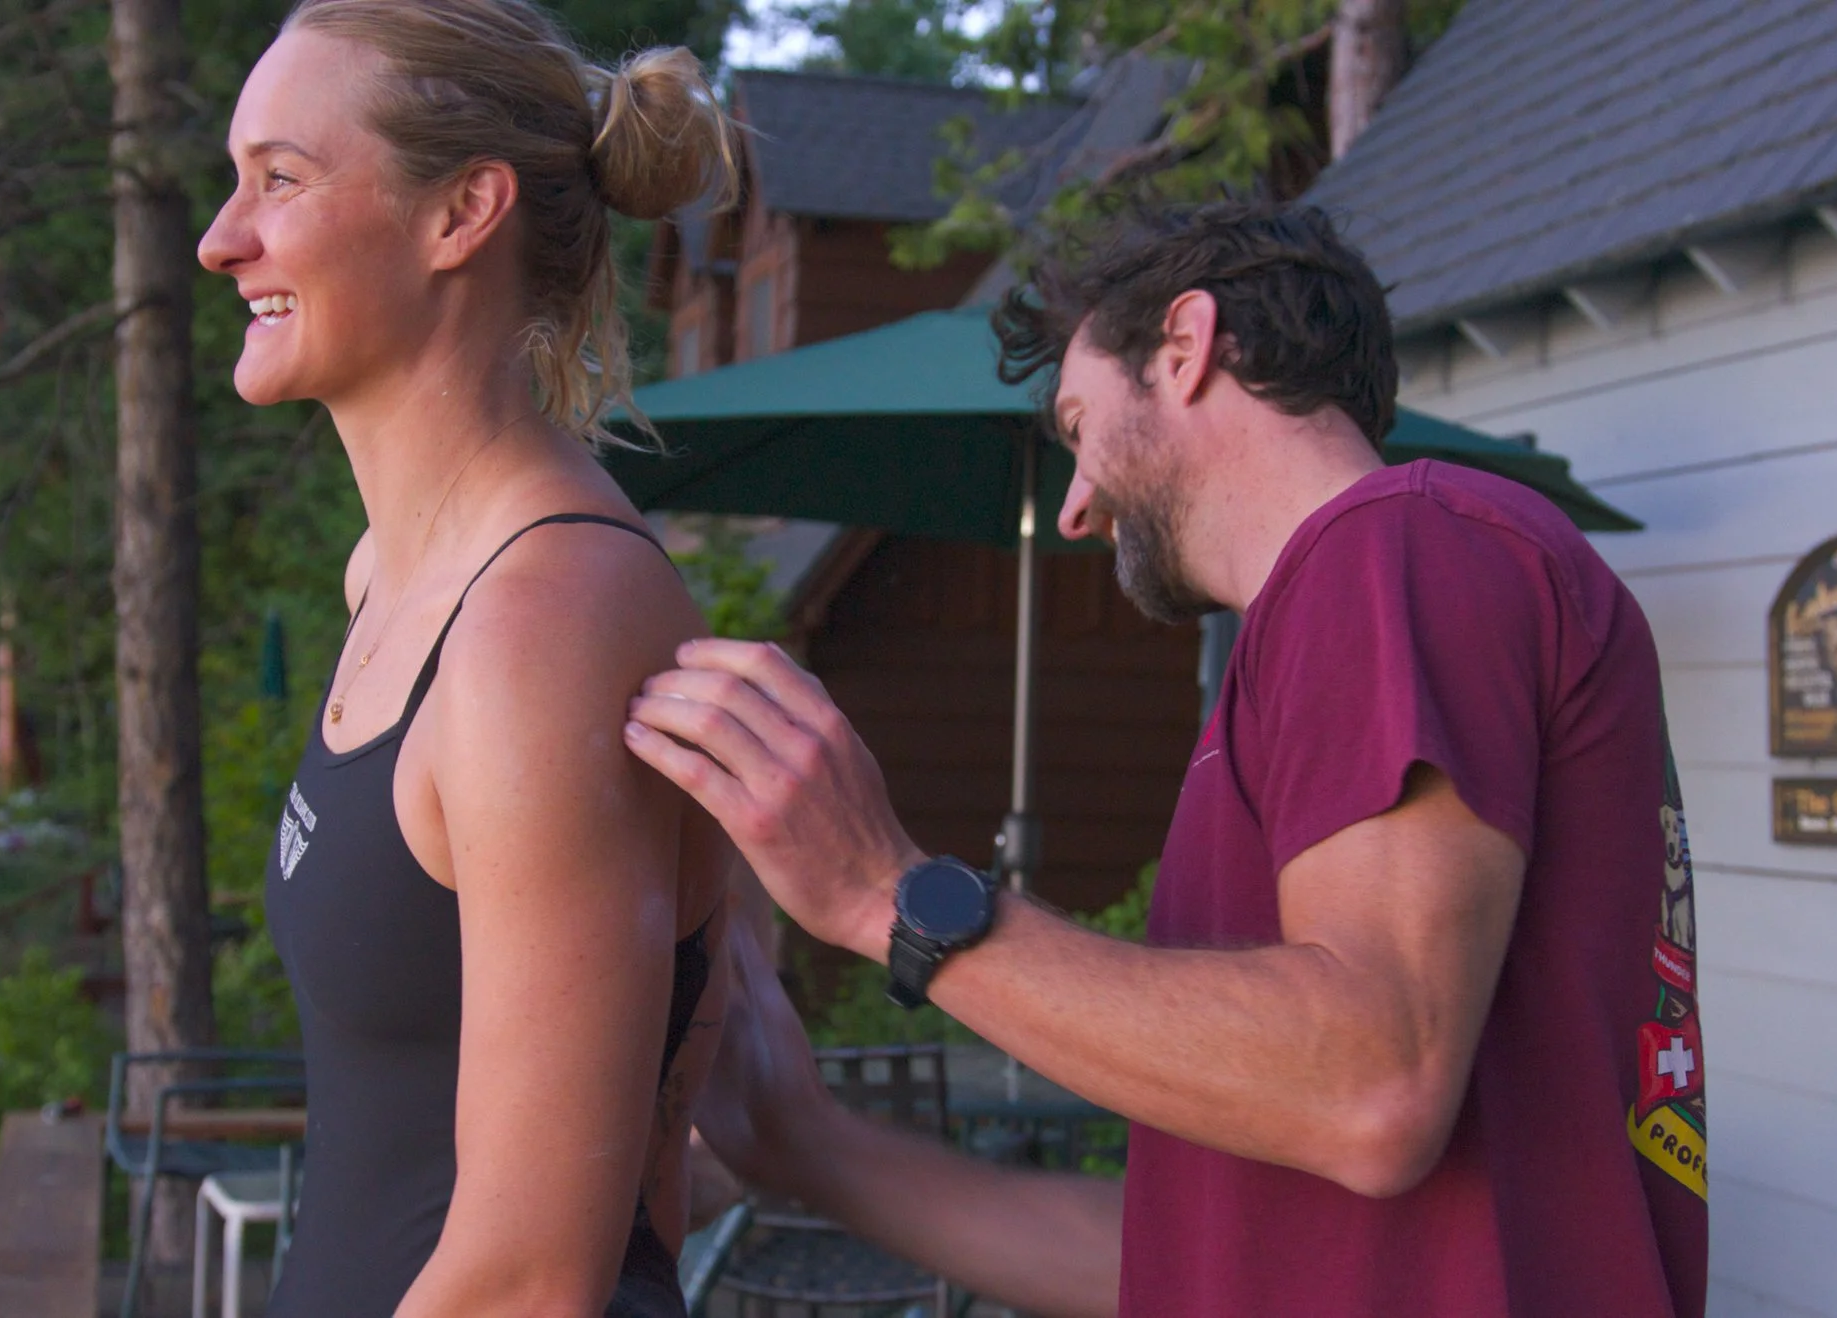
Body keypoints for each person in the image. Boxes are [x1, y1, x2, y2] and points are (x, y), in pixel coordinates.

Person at [628, 199, 1708, 1317]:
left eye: (1080, 425)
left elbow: (1372, 1084)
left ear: (1185, 348)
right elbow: (1174, 1265)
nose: (1081, 503)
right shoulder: (1326, 630)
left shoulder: (1395, 540)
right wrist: (802, 1144)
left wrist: (883, 894)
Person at [196, 6, 739, 1315]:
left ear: (462, 214)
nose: (221, 239)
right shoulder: (390, 579)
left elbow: (531, 1278)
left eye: (281, 179)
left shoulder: (539, 629)